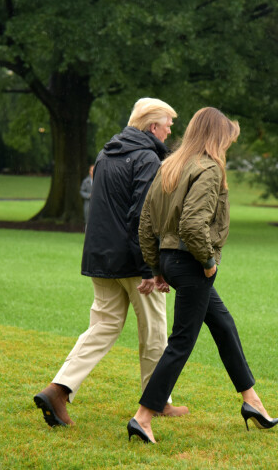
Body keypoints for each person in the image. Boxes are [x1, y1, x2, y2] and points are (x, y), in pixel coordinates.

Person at [127, 107, 278, 444]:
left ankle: (252, 402)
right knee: (181, 343)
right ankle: (143, 417)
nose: (228, 146)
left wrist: (157, 268)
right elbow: (193, 225)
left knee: (223, 325)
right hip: (192, 262)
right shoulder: (208, 169)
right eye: (228, 139)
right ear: (217, 137)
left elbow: (146, 224)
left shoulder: (171, 164)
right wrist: (209, 263)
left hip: (173, 260)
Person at [34, 98, 188, 427]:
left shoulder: (106, 154)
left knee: (102, 327)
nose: (170, 130)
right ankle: (157, 402)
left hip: (101, 257)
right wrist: (152, 269)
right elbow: (143, 216)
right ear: (152, 127)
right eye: (167, 124)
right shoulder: (148, 158)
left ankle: (58, 389)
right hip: (135, 262)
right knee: (155, 332)